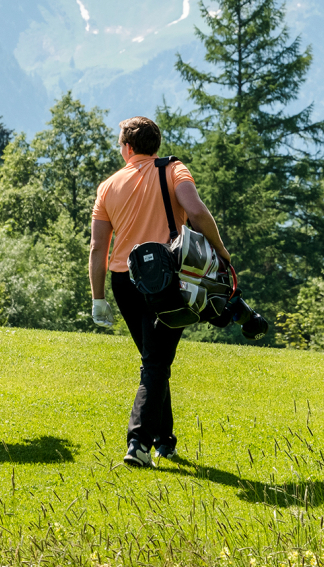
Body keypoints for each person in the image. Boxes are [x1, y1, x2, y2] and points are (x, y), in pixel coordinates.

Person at [89, 115, 233, 468]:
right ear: (156, 145)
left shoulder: (108, 186)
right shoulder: (173, 170)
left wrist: (98, 298)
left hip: (125, 281)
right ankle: (138, 442)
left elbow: (97, 247)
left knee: (155, 361)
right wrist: (223, 253)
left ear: (126, 148)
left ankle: (164, 441)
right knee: (156, 361)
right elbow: (196, 211)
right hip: (169, 278)